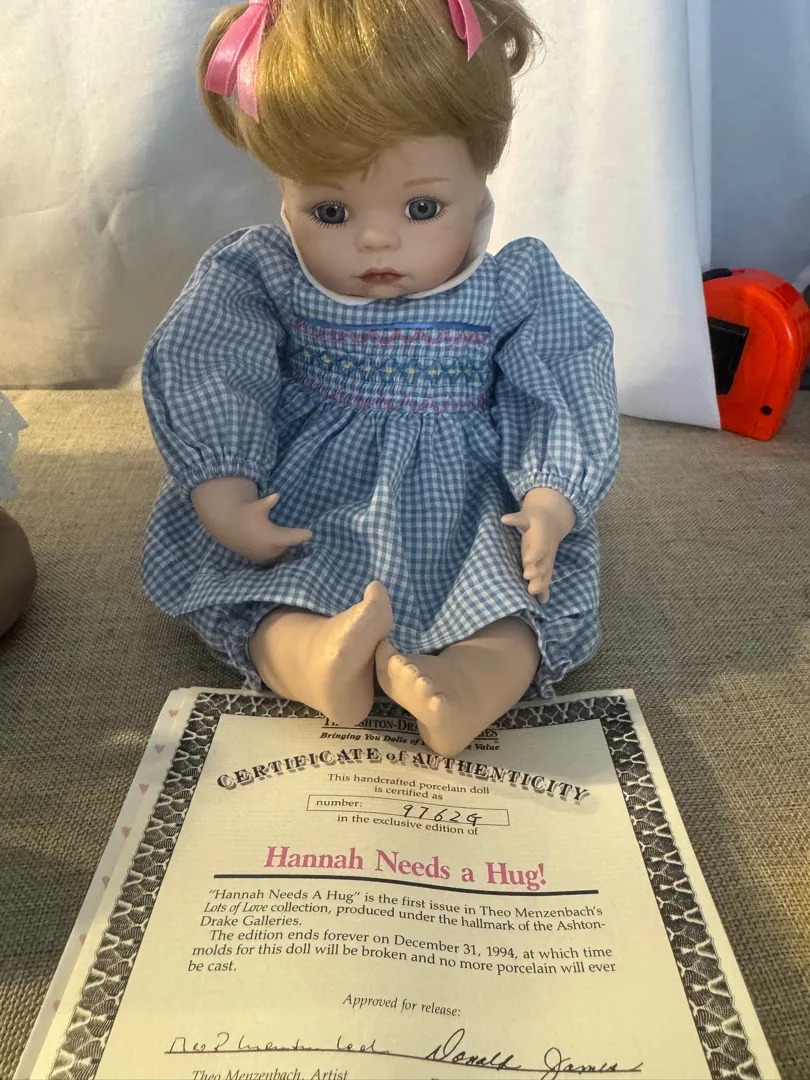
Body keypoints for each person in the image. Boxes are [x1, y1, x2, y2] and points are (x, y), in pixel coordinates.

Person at [141, 0, 619, 756]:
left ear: (481, 175)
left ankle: (471, 681)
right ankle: (312, 657)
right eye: (329, 210)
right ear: (283, 190)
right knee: (259, 592)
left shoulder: (514, 287)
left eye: (422, 206)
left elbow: (561, 383)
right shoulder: (259, 274)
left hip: (465, 501)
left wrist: (550, 498)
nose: (373, 238)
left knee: (513, 600)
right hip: (308, 492)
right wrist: (223, 486)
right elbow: (213, 364)